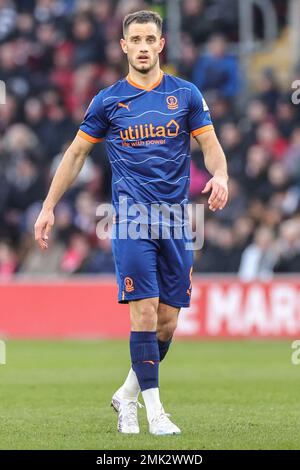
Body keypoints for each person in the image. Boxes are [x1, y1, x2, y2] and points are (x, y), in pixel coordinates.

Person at [34, 10, 228, 436]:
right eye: (134, 39)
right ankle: (152, 412)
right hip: (131, 220)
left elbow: (211, 145)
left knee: (167, 321)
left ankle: (126, 393)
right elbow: (75, 154)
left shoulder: (186, 94)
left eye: (149, 39)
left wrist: (222, 174)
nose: (142, 46)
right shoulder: (108, 101)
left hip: (177, 222)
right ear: (123, 46)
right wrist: (48, 206)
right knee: (141, 312)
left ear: (161, 45)